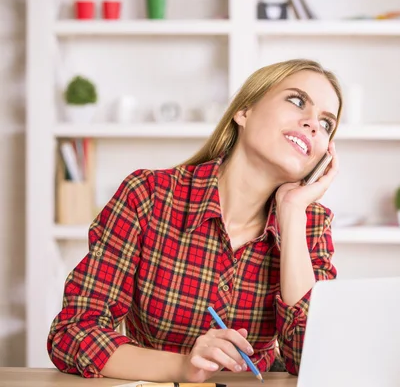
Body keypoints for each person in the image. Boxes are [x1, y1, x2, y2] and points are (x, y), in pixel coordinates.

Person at [47, 58, 343, 383]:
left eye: (326, 124)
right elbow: (73, 332)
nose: (314, 124)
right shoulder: (148, 196)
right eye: (297, 101)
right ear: (244, 112)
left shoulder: (310, 223)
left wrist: (292, 213)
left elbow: (315, 359)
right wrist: (184, 367)